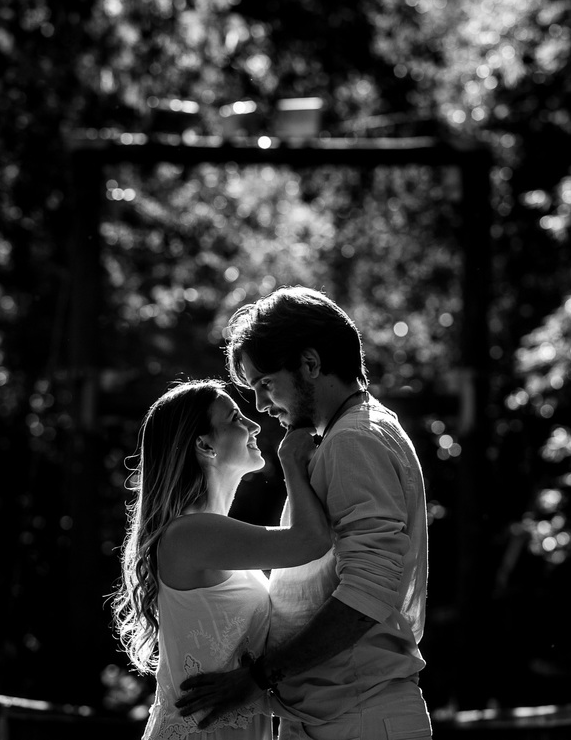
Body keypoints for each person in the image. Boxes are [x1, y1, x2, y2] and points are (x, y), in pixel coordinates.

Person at [175, 287, 432, 740]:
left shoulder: (353, 440)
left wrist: (258, 678)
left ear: (310, 364)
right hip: (337, 716)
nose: (260, 405)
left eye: (265, 383)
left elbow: (367, 594)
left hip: (357, 720)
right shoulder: (356, 432)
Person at [112, 378, 332, 740]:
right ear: (204, 445)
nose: (254, 425)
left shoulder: (208, 533)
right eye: (235, 418)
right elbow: (312, 540)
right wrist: (291, 461)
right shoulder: (189, 534)